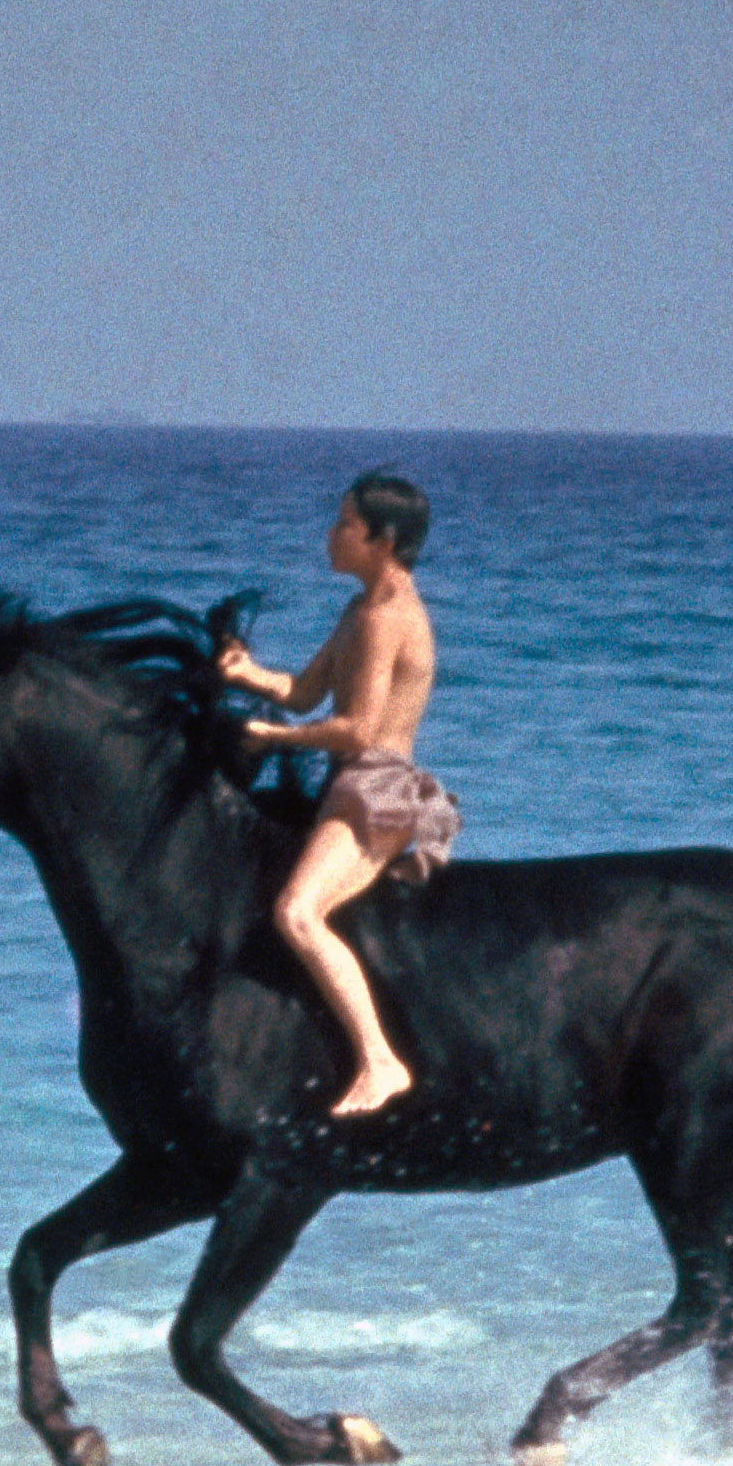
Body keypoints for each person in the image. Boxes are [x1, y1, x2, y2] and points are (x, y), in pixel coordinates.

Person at [216, 469, 458, 1118]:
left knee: (297, 912)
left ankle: (380, 1061)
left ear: (381, 539)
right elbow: (305, 691)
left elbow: (358, 728)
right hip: (346, 782)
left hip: (375, 789)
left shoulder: (387, 618)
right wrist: (248, 675)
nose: (331, 534)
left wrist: (270, 736)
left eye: (345, 524)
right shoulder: (358, 608)